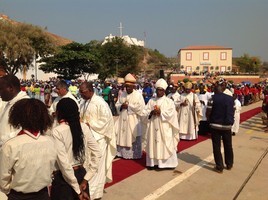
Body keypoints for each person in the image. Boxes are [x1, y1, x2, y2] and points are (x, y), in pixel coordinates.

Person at [0, 98, 57, 200]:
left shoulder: (11, 145)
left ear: (18, 117)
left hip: (18, 195)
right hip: (43, 195)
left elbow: (3, 178)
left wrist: (9, 192)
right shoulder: (50, 142)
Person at [50, 98, 101, 200]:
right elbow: (97, 152)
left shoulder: (57, 131)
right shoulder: (84, 127)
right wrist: (86, 178)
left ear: (59, 113)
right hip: (81, 176)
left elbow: (64, 164)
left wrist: (77, 189)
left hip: (63, 180)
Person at [79, 82, 116, 200]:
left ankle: (95, 193)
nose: (81, 95)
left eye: (83, 92)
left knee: (96, 166)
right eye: (80, 93)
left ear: (90, 90)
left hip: (98, 139)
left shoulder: (100, 103)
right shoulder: (84, 102)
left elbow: (107, 121)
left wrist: (91, 125)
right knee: (87, 165)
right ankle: (87, 189)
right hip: (86, 138)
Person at [142, 78, 180, 169]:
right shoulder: (151, 101)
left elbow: (172, 114)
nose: (159, 92)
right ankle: (153, 163)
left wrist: (161, 113)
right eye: (158, 90)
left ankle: (167, 164)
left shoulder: (169, 101)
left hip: (164, 126)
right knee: (153, 143)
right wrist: (151, 113)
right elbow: (144, 113)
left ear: (164, 91)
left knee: (165, 143)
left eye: (161, 90)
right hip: (153, 126)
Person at [115, 73, 145, 159]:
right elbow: (117, 104)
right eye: (126, 86)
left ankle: (133, 154)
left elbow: (141, 108)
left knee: (131, 135)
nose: (127, 88)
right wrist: (121, 106)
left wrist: (129, 107)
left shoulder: (138, 95)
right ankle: (121, 153)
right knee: (122, 134)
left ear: (133, 87)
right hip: (123, 119)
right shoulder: (122, 94)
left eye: (129, 87)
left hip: (133, 119)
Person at [206, 84, 235, 173]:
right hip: (227, 126)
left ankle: (219, 166)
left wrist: (209, 121)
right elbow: (233, 110)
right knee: (228, 145)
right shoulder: (230, 99)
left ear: (215, 90)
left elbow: (208, 112)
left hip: (215, 125)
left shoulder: (212, 99)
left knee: (216, 146)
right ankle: (229, 164)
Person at [0, 75, 29, 146]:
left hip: (15, 150)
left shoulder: (25, 104)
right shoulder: (8, 102)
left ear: (10, 88)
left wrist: (2, 140)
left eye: (0, 89)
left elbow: (24, 131)